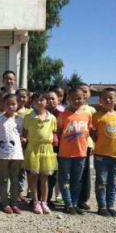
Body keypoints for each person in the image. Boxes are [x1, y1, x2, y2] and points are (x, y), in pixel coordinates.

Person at [56, 87, 92, 215]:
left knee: (77, 180)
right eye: (73, 98)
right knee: (65, 179)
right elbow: (59, 132)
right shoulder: (63, 115)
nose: (76, 101)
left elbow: (88, 132)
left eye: (79, 98)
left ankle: (75, 203)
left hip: (81, 153)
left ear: (84, 99)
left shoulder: (87, 115)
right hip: (65, 153)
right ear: (68, 99)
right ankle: (68, 204)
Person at [91, 88, 116, 217]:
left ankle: (110, 205)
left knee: (113, 183)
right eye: (105, 97)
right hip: (101, 155)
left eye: (111, 97)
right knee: (101, 182)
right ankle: (102, 206)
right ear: (100, 99)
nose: (107, 99)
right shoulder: (97, 116)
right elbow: (93, 134)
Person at [23, 90, 57, 215]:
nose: (39, 102)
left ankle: (44, 202)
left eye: (42, 100)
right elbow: (25, 133)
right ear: (32, 102)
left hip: (46, 149)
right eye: (36, 100)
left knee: (44, 177)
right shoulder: (28, 117)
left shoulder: (52, 118)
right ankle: (35, 202)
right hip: (33, 149)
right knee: (33, 176)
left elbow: (53, 132)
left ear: (47, 102)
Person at [0, 94, 24, 214]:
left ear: (18, 104)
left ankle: (14, 202)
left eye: (13, 104)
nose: (10, 106)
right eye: (8, 104)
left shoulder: (20, 120)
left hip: (16, 154)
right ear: (3, 104)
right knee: (3, 179)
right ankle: (4, 202)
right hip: (2, 154)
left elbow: (21, 135)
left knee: (15, 179)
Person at [75, 82, 96, 211]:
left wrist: (93, 144)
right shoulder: (70, 108)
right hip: (72, 145)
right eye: (80, 91)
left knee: (85, 173)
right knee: (74, 173)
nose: (83, 94)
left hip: (86, 145)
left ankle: (82, 199)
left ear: (89, 94)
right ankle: (72, 198)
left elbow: (93, 130)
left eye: (85, 91)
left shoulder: (91, 110)